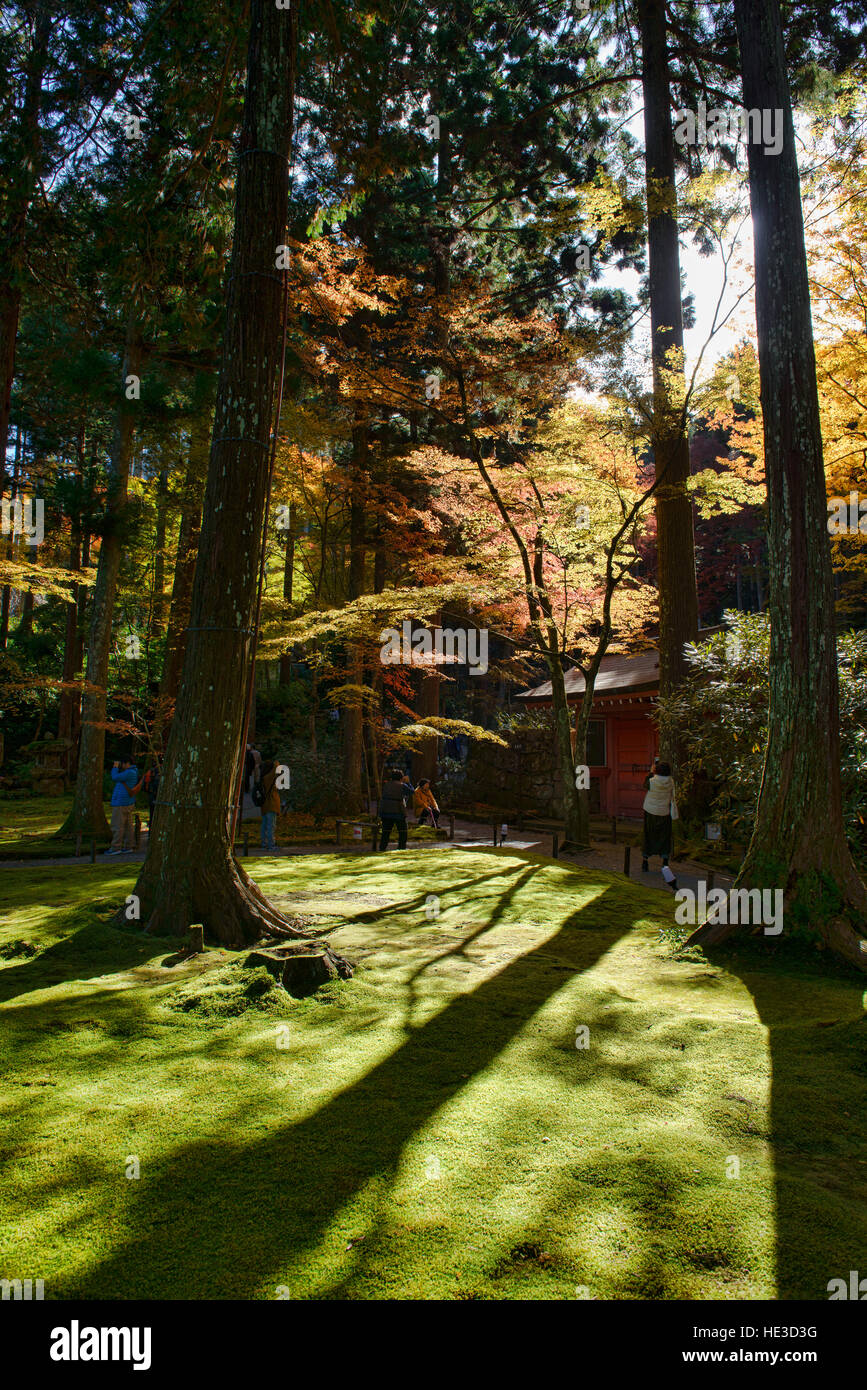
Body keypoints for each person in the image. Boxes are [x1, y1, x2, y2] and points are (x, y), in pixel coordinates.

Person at [642, 759, 678, 887]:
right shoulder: (671, 782)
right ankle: (665, 861)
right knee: (664, 837)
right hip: (664, 812)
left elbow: (645, 785)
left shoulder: (652, 781)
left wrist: (651, 773)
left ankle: (645, 860)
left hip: (650, 811)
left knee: (648, 835)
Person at [107, 755, 139, 854]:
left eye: (122, 764)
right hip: (128, 802)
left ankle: (116, 847)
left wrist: (115, 767)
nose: (122, 766)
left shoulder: (129, 773)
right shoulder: (133, 772)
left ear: (127, 763)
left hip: (121, 803)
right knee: (128, 826)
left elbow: (114, 777)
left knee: (118, 825)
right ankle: (129, 845)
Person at [378, 767, 408, 851]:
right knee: (402, 831)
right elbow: (411, 791)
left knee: (386, 831)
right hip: (398, 811)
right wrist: (408, 783)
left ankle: (382, 847)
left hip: (386, 810)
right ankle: (401, 847)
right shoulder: (402, 785)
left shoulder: (386, 785)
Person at [259, 758, 280, 851]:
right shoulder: (269, 778)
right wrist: (275, 762)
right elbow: (276, 768)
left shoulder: (263, 778)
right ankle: (271, 845)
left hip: (264, 805)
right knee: (271, 825)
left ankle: (264, 844)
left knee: (264, 825)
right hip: (271, 804)